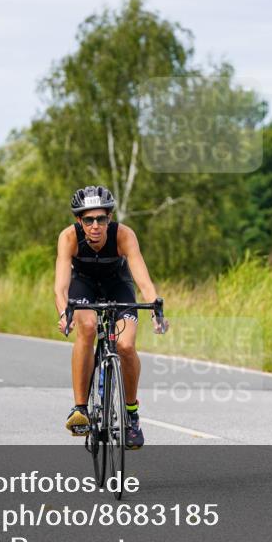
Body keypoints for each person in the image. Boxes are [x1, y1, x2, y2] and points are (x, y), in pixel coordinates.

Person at [54, 185, 168, 449]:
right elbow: (60, 286)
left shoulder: (124, 235)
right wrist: (64, 313)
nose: (95, 225)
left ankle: (131, 414)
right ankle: (80, 408)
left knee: (126, 345)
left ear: (109, 218)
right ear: (79, 221)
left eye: (101, 219)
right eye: (89, 219)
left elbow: (144, 280)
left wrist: (155, 310)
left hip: (118, 285)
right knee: (88, 327)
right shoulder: (69, 238)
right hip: (83, 286)